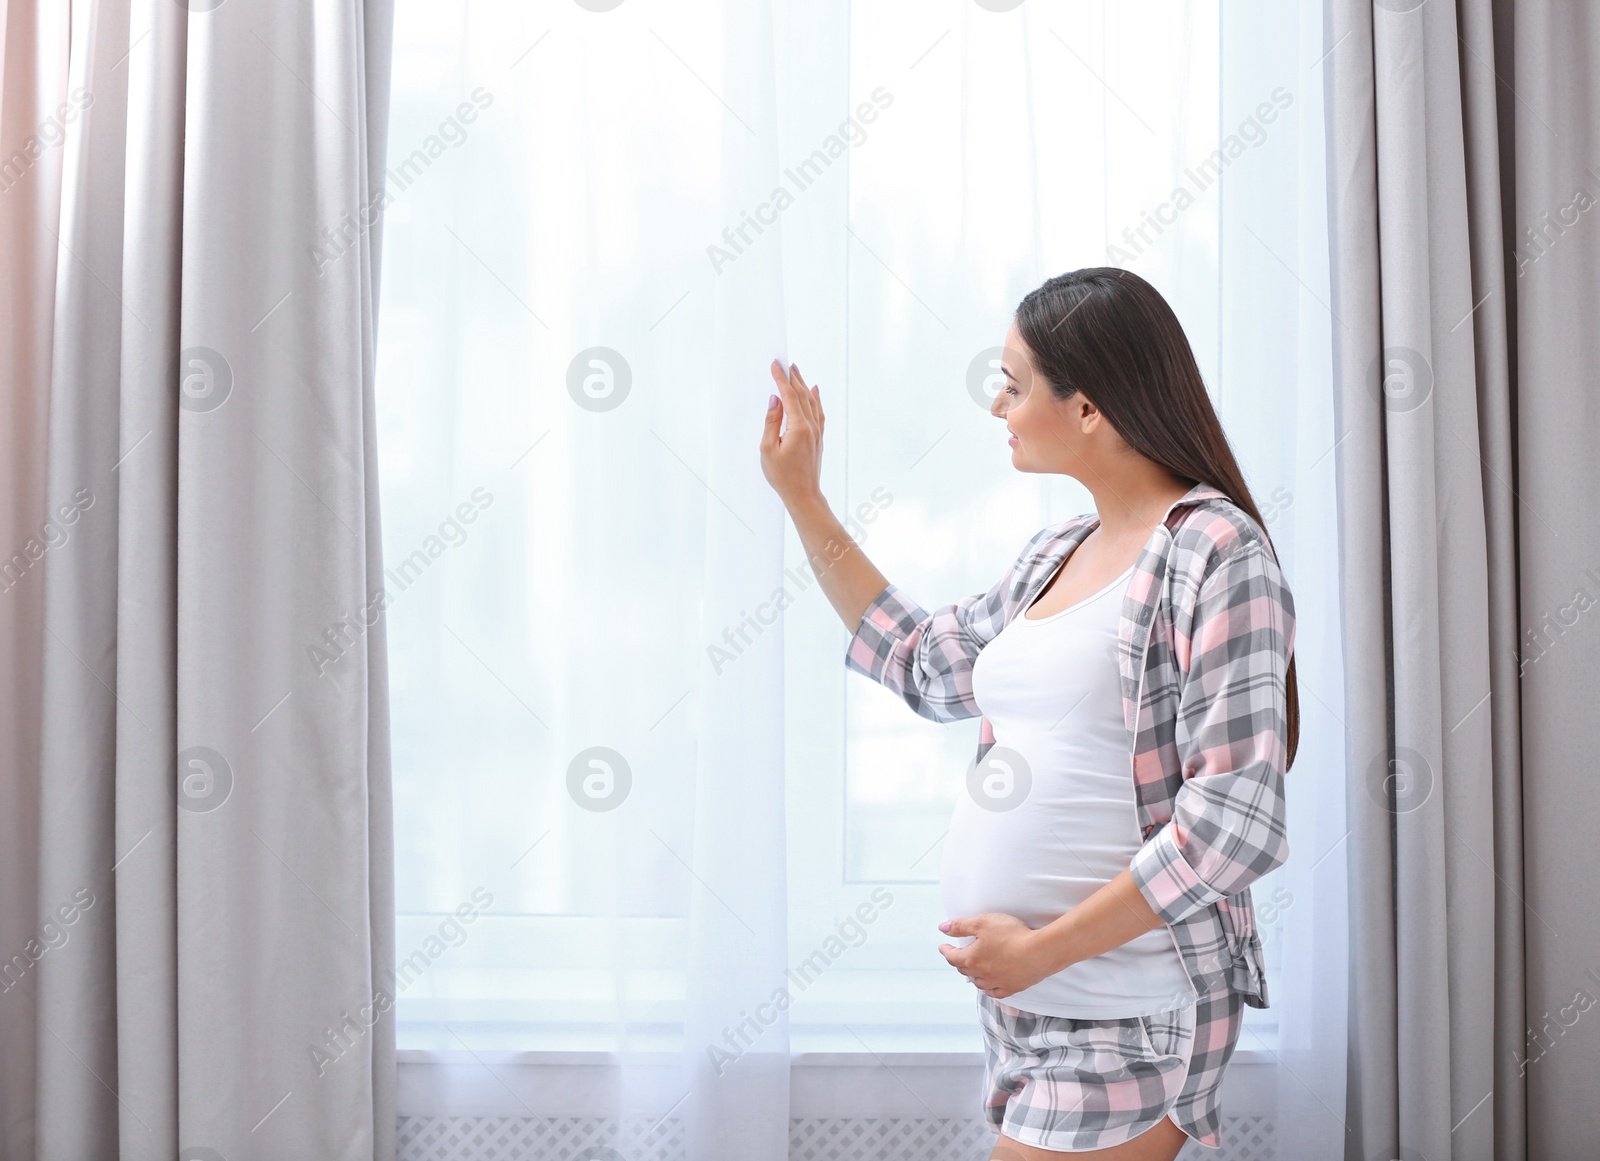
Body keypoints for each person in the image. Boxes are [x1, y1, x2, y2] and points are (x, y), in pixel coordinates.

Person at [757, 267, 1298, 1160]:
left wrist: (1042, 950)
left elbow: (1231, 826)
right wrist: (802, 496)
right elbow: (924, 661)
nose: (997, 406)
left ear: (1089, 408)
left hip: (1131, 1001)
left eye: (1012, 384)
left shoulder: (1215, 550)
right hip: (1029, 1003)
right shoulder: (1056, 553)